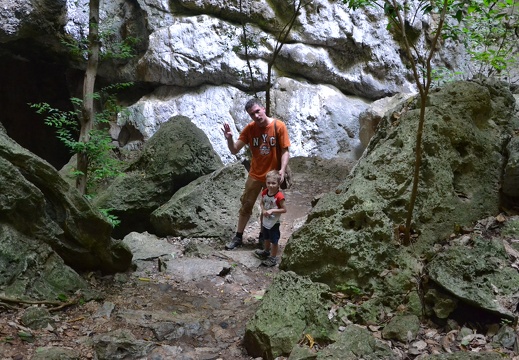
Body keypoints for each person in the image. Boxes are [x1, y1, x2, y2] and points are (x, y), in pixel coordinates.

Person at [222, 98, 291, 250]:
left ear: (263, 109)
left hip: (271, 177)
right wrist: (229, 138)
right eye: (252, 114)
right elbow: (234, 149)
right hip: (255, 175)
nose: (256, 116)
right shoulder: (250, 129)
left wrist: (282, 170)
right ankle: (238, 237)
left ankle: (262, 237)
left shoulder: (278, 126)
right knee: (246, 204)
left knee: (267, 207)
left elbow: (285, 150)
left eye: (257, 111)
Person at [254, 170, 286, 267]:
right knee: (266, 237)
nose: (271, 185)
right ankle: (266, 251)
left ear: (278, 184)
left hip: (274, 222)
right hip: (266, 220)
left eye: (273, 183)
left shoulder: (279, 196)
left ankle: (273, 258)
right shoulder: (265, 192)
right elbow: (262, 202)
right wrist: (263, 210)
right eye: (268, 183)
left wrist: (272, 211)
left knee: (274, 240)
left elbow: (284, 209)